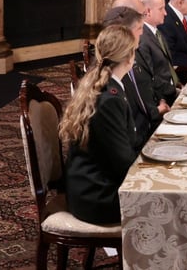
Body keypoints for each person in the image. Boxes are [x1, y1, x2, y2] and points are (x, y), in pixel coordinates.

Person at [61, 24, 144, 225]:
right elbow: (122, 163)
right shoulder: (110, 99)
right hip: (98, 196)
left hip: (94, 185)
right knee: (170, 206)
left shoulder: (104, 84)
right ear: (129, 57)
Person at [103, 4, 168, 139]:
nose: (142, 32)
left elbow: (148, 85)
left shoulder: (133, 56)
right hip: (137, 138)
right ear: (125, 32)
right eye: (139, 28)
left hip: (145, 126)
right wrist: (156, 112)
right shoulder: (115, 71)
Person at [138, 0, 180, 98]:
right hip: (163, 97)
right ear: (148, 11)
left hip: (173, 87)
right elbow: (150, 78)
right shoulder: (142, 38)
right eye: (161, 9)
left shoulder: (156, 31)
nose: (165, 13)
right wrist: (174, 92)